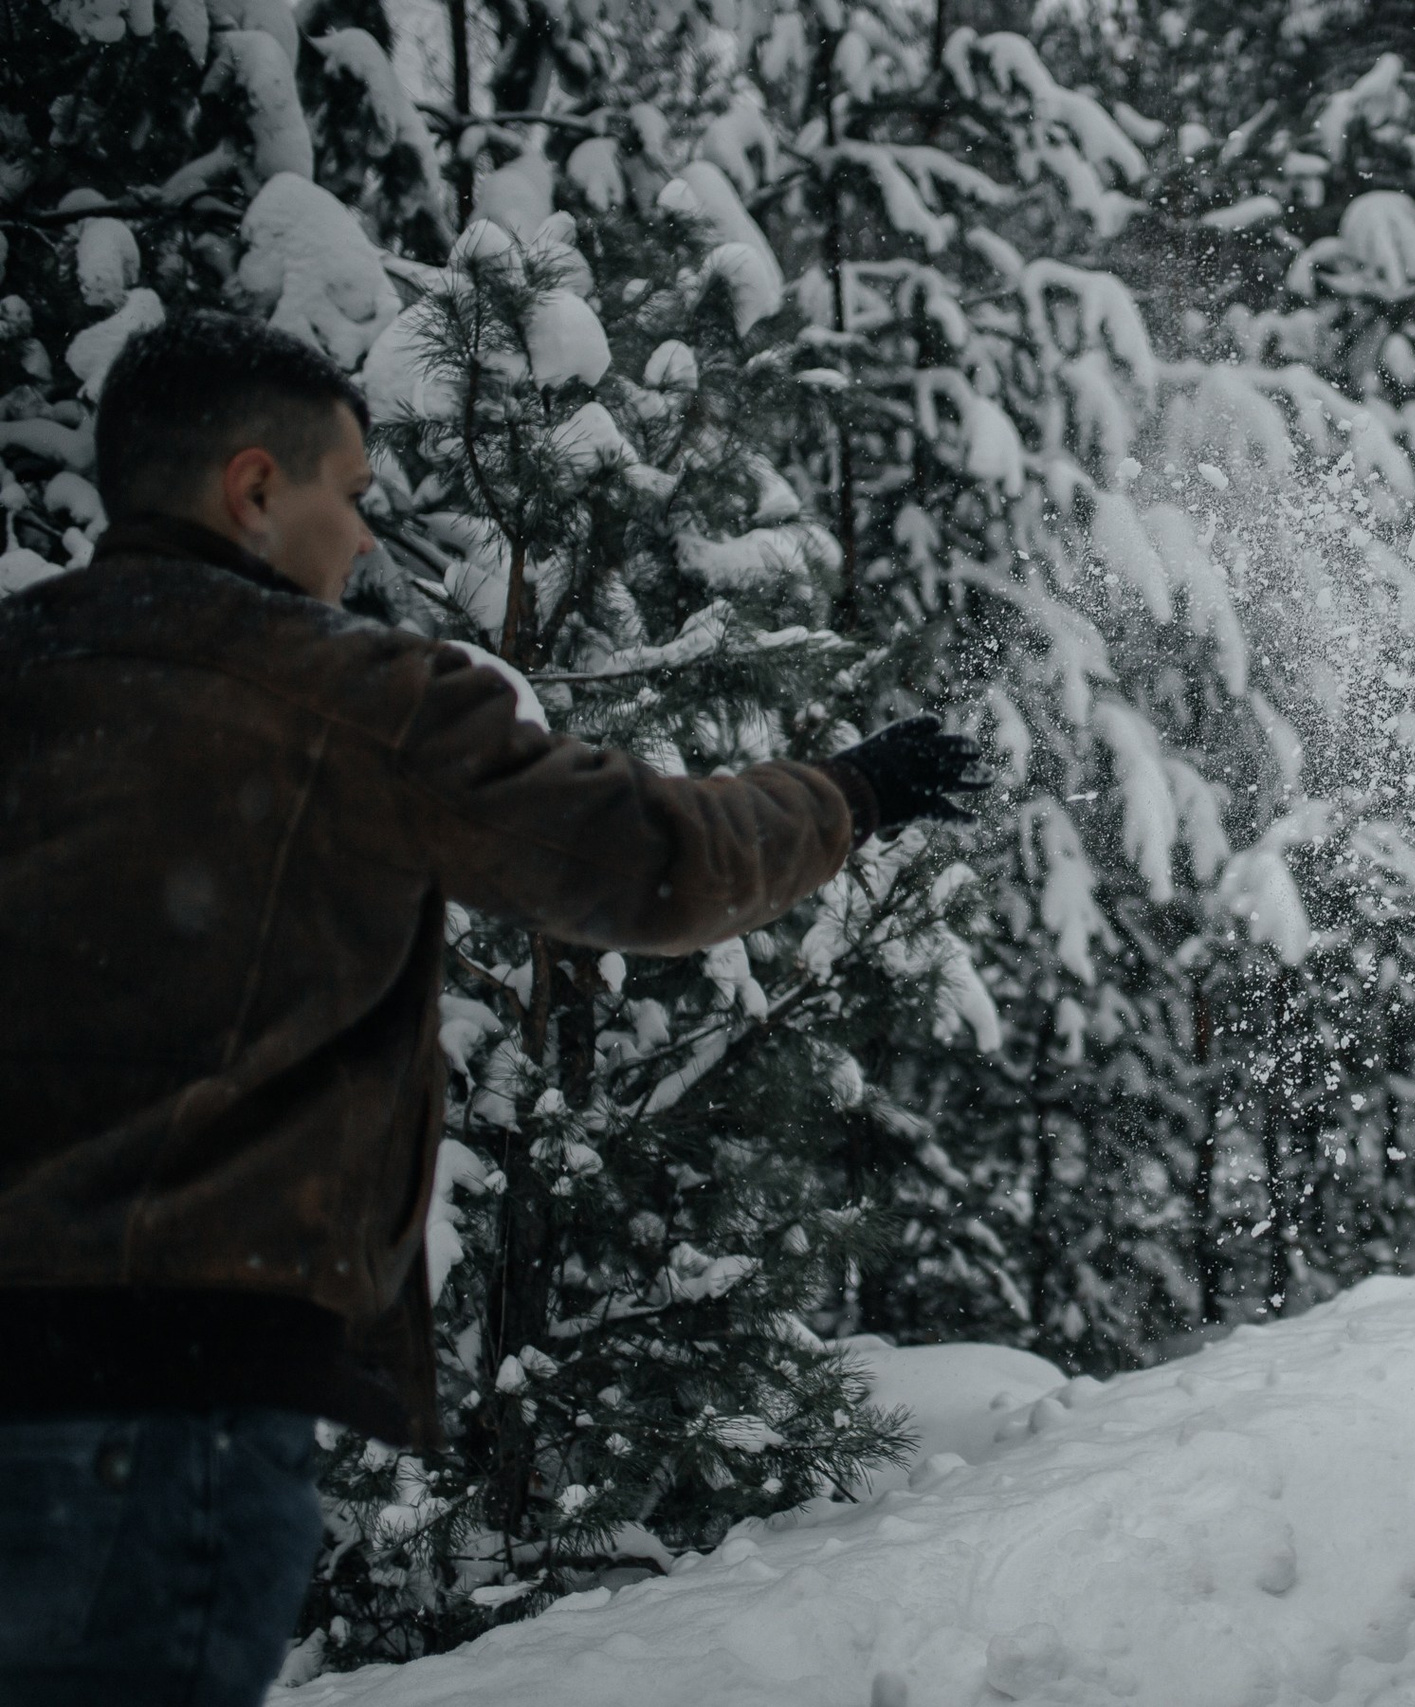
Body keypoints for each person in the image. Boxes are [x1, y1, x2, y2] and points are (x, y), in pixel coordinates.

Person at [0, 310, 985, 1706]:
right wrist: (853, 791)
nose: (362, 535)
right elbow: (649, 861)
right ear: (254, 488)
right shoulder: (341, 697)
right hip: (164, 1401)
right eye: (349, 493)